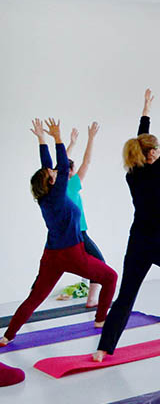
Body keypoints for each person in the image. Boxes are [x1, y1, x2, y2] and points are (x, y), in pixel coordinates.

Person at [93, 85, 160, 361]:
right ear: (151, 153)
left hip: (138, 240)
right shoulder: (154, 172)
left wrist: (145, 111)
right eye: (158, 148)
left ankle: (104, 348)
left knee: (127, 296)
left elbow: (140, 140)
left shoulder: (133, 172)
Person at [1, 118, 117, 346]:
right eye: (52, 174)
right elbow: (62, 167)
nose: (55, 171)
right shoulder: (57, 191)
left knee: (34, 299)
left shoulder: (44, 197)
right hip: (73, 254)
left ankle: (7, 336)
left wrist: (42, 141)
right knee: (111, 277)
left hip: (51, 255)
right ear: (52, 182)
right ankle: (101, 320)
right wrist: (58, 139)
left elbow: (49, 167)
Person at [40, 122, 104, 307]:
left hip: (60, 237)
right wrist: (91, 138)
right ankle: (92, 299)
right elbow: (87, 161)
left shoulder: (53, 190)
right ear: (71, 172)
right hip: (79, 234)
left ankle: (90, 298)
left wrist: (72, 143)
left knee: (49, 271)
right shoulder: (73, 185)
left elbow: (62, 162)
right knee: (99, 262)